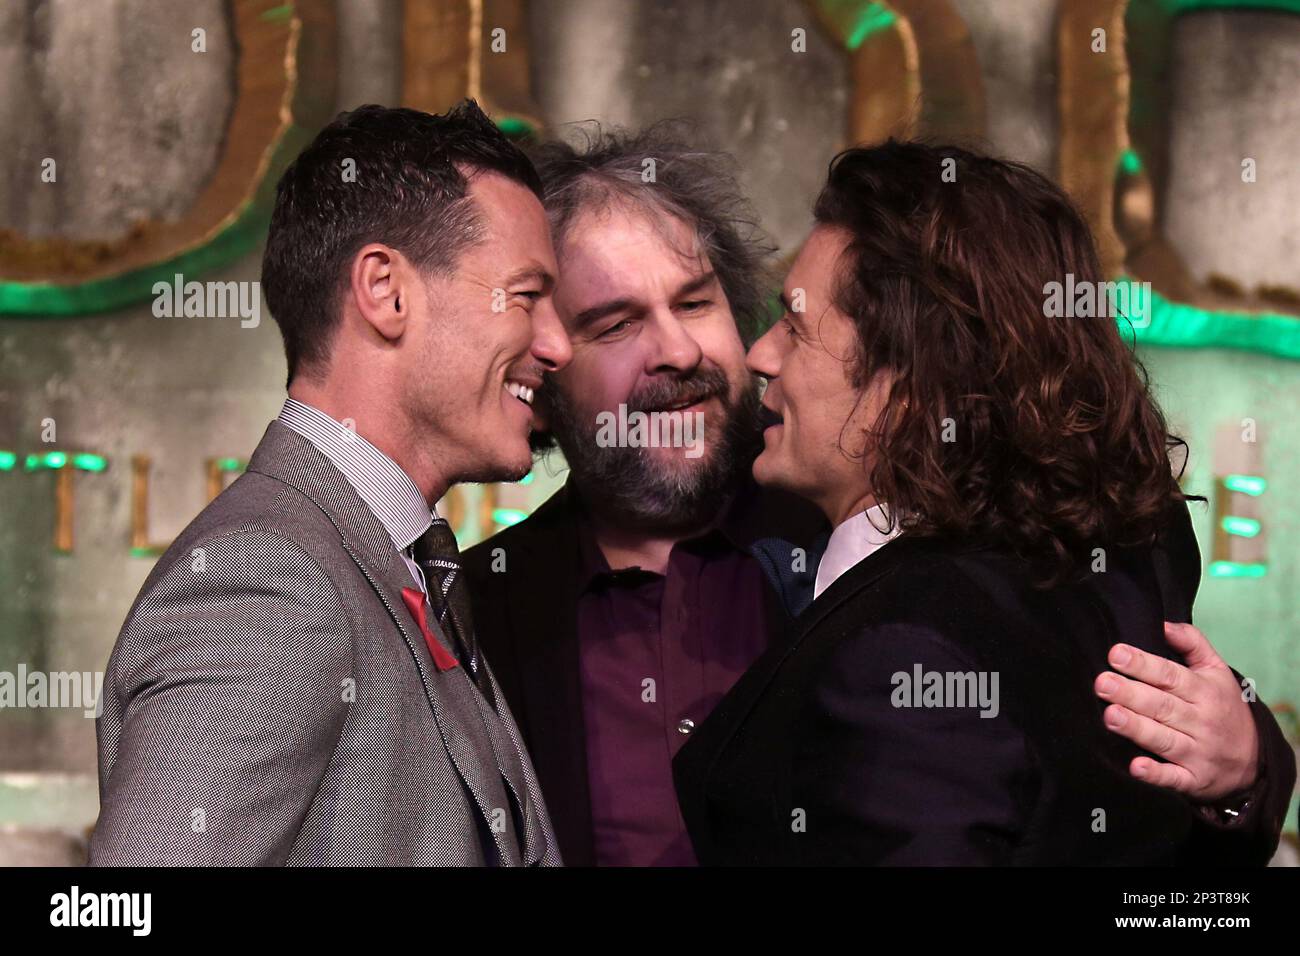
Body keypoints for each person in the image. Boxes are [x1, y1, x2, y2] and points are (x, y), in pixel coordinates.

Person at [465, 129, 1293, 866]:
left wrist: (1245, 768)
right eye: (615, 325)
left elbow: (1137, 751)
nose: (679, 349)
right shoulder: (476, 607)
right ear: (542, 362)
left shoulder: (908, 522)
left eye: (695, 302)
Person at [91, 101, 570, 865]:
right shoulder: (270, 582)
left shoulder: (392, 555)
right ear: (385, 291)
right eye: (524, 296)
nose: (557, 343)